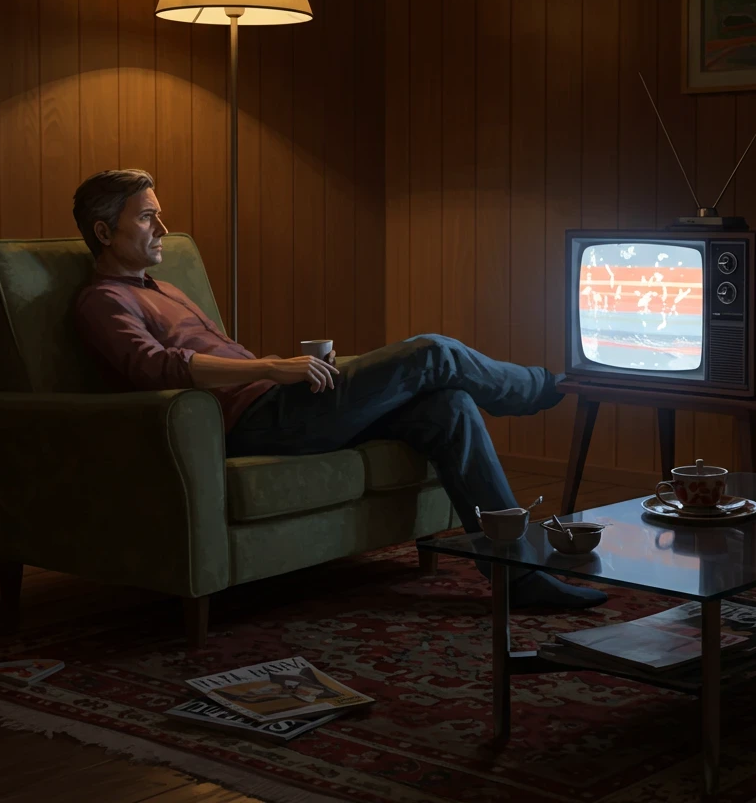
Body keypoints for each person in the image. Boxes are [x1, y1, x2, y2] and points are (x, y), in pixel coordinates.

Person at [72, 169, 606, 611]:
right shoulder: (103, 302)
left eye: (158, 214)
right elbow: (157, 368)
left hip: (281, 401)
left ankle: (518, 578)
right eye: (146, 217)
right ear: (103, 232)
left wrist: (296, 369)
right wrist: (274, 368)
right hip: (256, 421)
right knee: (431, 352)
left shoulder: (162, 287)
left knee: (450, 406)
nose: (162, 227)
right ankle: (555, 387)